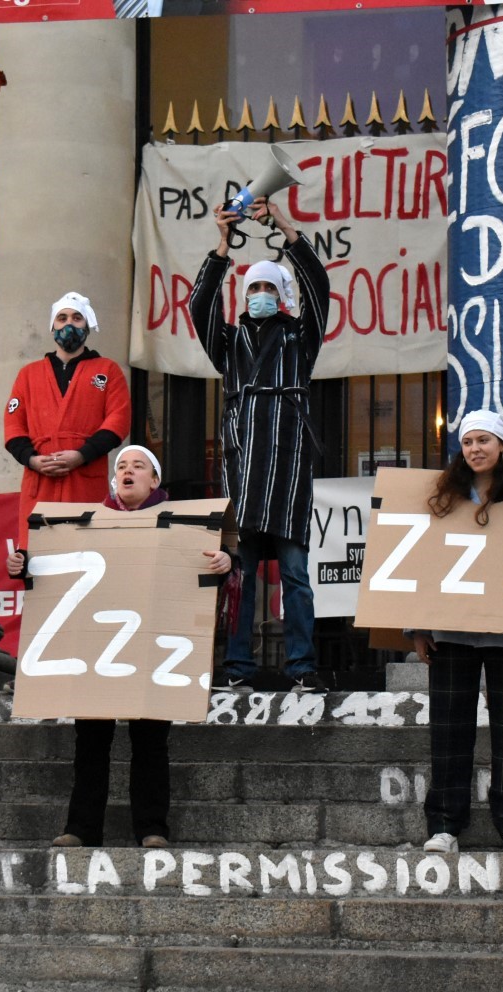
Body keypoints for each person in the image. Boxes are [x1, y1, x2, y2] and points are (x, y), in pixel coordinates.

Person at [7, 445, 232, 849]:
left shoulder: (186, 527)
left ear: (155, 480)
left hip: (153, 649)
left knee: (150, 743)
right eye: (121, 467)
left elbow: (213, 571)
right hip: (98, 651)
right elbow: (53, 573)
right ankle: (81, 827)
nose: (126, 472)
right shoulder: (88, 525)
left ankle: (152, 828)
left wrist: (224, 562)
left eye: (137, 466)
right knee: (91, 741)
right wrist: (23, 566)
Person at [189, 197, 331, 693]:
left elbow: (320, 288)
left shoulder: (301, 337)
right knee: (239, 575)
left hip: (288, 467)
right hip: (243, 467)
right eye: (255, 288)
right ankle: (237, 668)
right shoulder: (227, 344)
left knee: (295, 573)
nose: (261, 294)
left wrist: (287, 229)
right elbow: (199, 306)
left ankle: (302, 666)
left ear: (284, 295)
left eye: (271, 287)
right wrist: (222, 248)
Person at [409, 410, 503, 856]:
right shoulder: (443, 498)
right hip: (451, 630)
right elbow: (418, 558)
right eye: (468, 441)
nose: (474, 448)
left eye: (483, 441)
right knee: (449, 728)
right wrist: (415, 626)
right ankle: (445, 825)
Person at [3, 290, 132, 554]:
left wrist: (82, 455)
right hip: (40, 476)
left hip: (84, 474)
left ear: (88, 325)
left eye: (76, 318)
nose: (69, 324)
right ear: (53, 326)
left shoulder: (108, 370)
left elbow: (118, 421)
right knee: (37, 552)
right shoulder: (28, 375)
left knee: (84, 551)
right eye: (62, 318)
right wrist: (31, 459)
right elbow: (13, 425)